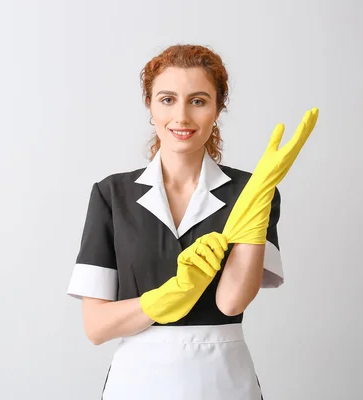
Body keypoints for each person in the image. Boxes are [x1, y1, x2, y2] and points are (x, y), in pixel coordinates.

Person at [66, 44, 319, 400]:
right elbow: (96, 327)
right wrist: (167, 297)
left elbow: (231, 303)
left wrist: (256, 203)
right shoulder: (112, 195)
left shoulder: (252, 191)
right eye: (167, 99)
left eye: (198, 101)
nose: (181, 117)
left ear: (218, 108)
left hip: (223, 381)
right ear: (150, 106)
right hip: (137, 382)